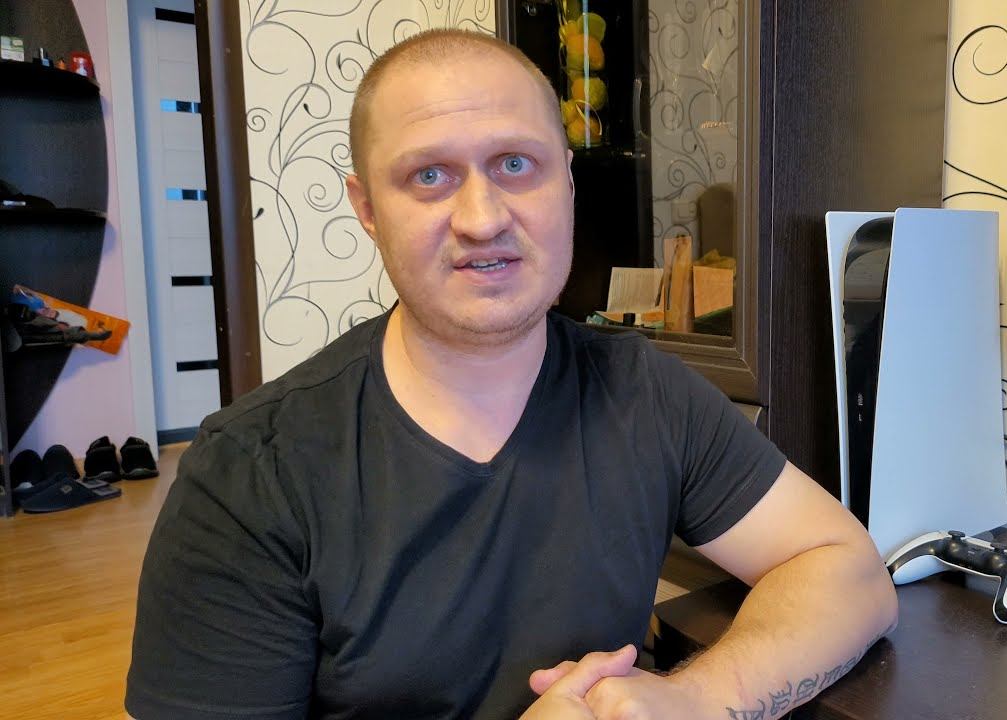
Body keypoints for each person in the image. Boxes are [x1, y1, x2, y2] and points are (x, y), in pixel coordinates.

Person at [125, 30, 897, 720]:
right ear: (367, 208)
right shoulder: (251, 475)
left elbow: (847, 570)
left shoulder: (645, 392)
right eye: (429, 175)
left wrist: (699, 698)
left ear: (568, 182)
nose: (483, 218)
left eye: (516, 164)